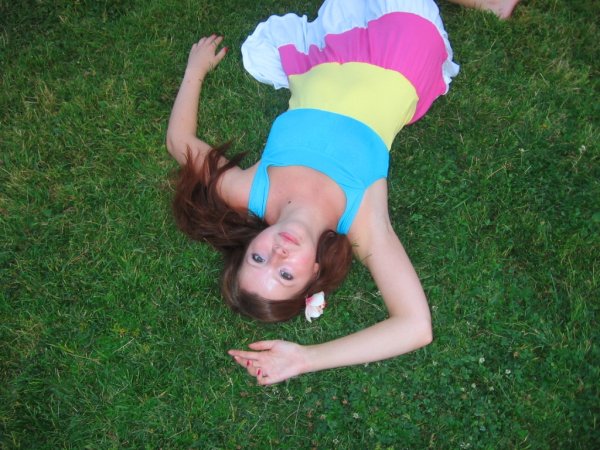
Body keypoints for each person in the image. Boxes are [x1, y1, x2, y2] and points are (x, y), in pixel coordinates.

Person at [166, 0, 514, 386]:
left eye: (258, 257)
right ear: (313, 273)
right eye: (285, 274)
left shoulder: (251, 190)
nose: (277, 254)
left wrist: (194, 70)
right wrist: (305, 358)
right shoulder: (363, 222)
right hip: (401, 52)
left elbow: (179, 141)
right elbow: (416, 326)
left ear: (251, 243)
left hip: (325, 56)